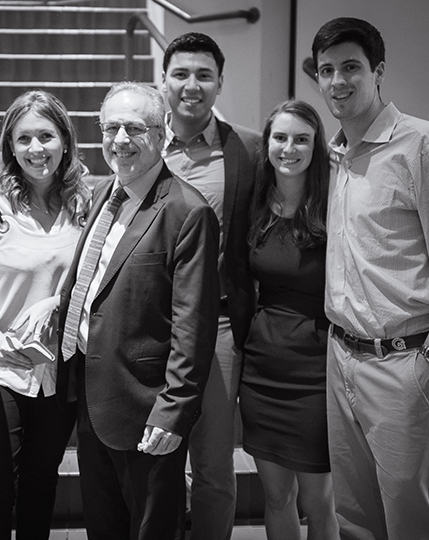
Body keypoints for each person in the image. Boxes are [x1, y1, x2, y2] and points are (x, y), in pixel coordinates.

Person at [57, 81, 221, 539]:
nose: (121, 140)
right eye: (111, 128)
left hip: (147, 406)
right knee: (103, 528)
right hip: (94, 398)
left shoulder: (187, 211)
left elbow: (194, 327)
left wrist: (173, 412)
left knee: (152, 530)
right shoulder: (105, 196)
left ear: (164, 131)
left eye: (135, 127)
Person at [312, 17, 429, 539]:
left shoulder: (422, 146)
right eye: (326, 70)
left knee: (409, 514)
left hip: (403, 362)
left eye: (350, 67)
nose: (337, 81)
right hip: (341, 357)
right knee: (354, 514)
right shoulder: (336, 154)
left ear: (378, 71)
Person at [0, 90, 90, 539]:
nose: (36, 149)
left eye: (46, 136)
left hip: (59, 370)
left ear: (65, 140)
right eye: (24, 138)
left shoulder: (86, 206)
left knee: (40, 485)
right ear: (8, 146)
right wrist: (1, 344)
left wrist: (58, 301)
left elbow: (93, 280)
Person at [160, 32, 260, 540]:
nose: (191, 86)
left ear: (220, 83)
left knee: (214, 467)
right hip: (151, 326)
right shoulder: (135, 143)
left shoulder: (248, 149)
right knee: (155, 461)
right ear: (164, 82)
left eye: (204, 75)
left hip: (218, 326)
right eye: (181, 74)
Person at [239, 100, 338, 539]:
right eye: (280, 137)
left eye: (302, 139)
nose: (289, 148)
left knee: (317, 501)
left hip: (317, 370)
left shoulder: (335, 203)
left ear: (317, 147)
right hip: (263, 369)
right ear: (267, 144)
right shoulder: (255, 202)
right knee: (276, 498)